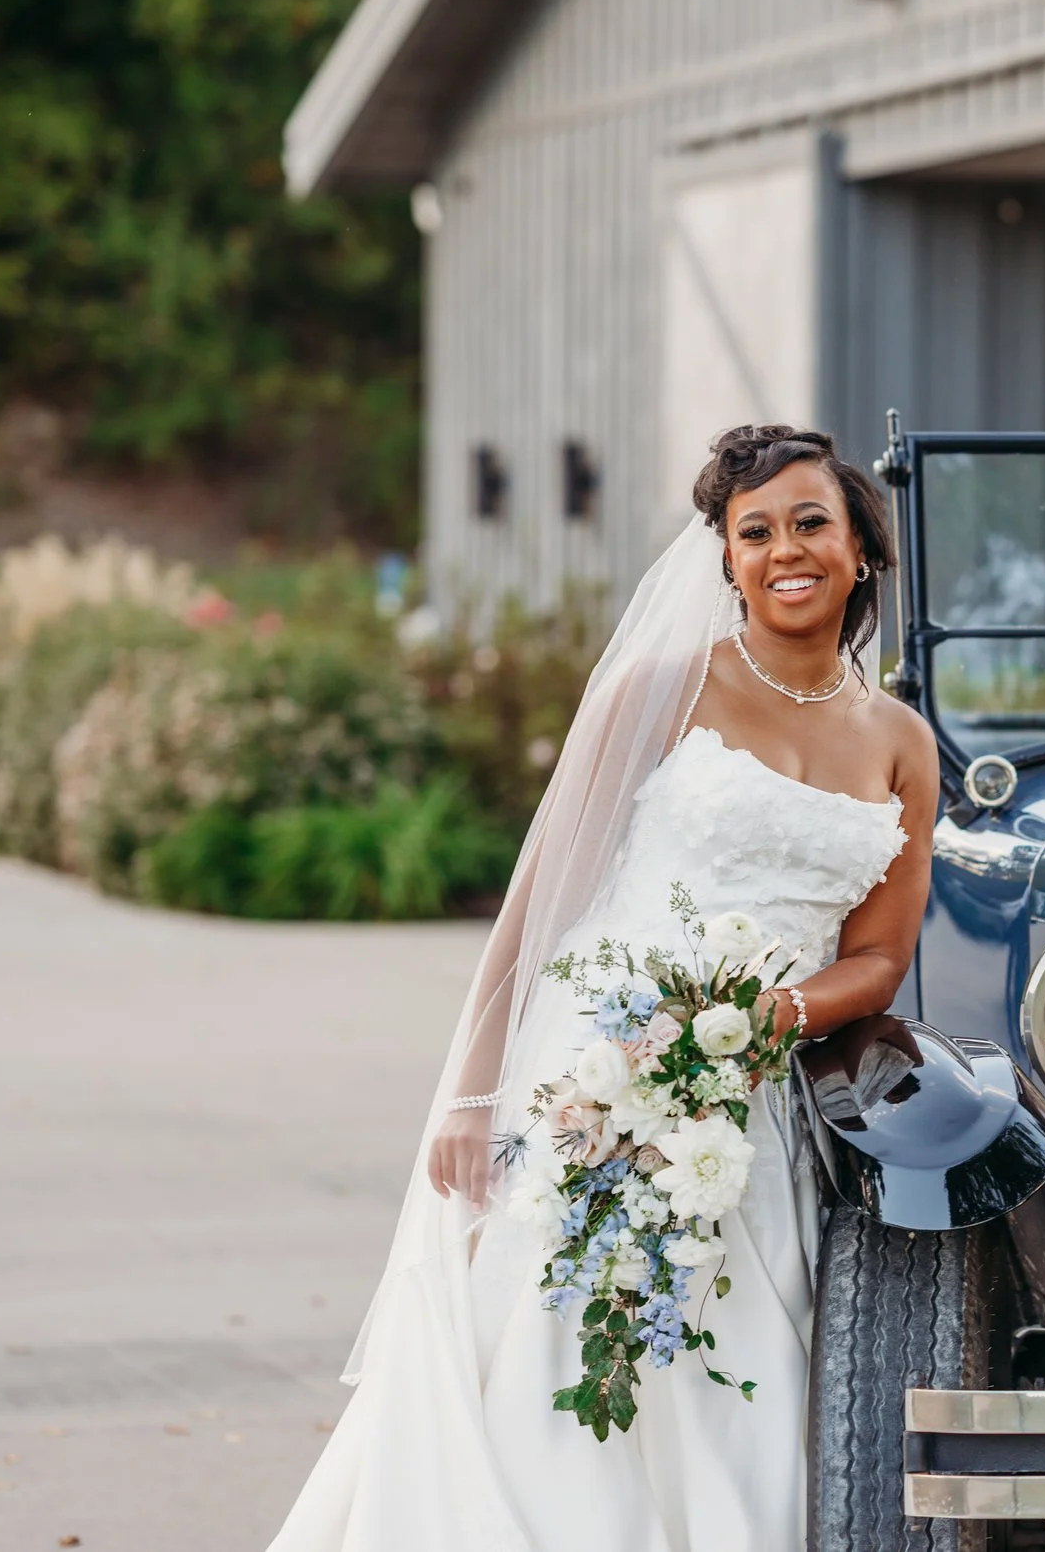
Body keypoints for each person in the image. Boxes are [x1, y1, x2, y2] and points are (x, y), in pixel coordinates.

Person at [269, 425, 939, 1552]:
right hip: (593, 1069)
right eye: (756, 530)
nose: (786, 549)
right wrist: (474, 1093)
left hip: (755, 1100)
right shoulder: (664, 689)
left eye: (811, 522)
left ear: (863, 544)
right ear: (724, 557)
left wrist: (777, 1016)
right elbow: (537, 907)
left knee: (733, 1369)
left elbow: (877, 957)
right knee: (558, 1342)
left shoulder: (901, 741)